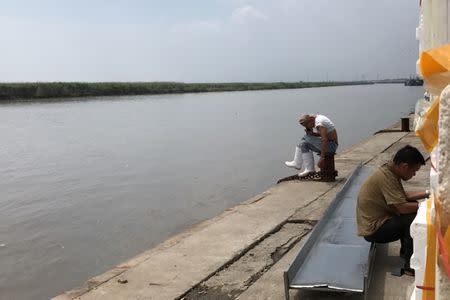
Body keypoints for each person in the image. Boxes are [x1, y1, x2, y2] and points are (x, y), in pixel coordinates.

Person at [356, 145, 429, 276]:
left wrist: (427, 193)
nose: (414, 175)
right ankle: (410, 267)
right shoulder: (387, 177)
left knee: (413, 207)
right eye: (414, 171)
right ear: (404, 167)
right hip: (373, 230)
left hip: (379, 221)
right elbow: (401, 207)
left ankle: (406, 251)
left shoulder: (390, 171)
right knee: (412, 218)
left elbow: (401, 196)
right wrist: (427, 205)